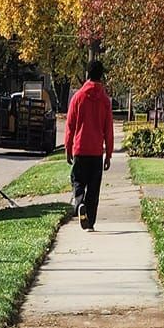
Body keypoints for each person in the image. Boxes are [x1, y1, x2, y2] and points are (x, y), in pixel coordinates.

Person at [65, 58, 114, 232]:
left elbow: (70, 125)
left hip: (80, 148)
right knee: (94, 188)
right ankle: (90, 222)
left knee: (78, 181)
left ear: (87, 74)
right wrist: (108, 154)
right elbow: (108, 130)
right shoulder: (105, 101)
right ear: (102, 76)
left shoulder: (77, 98)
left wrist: (68, 147)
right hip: (95, 152)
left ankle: (79, 203)